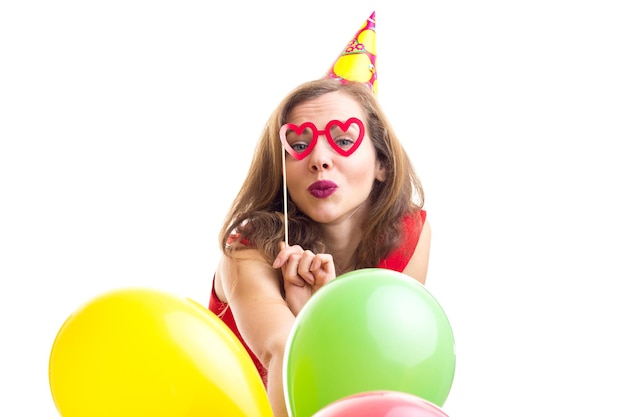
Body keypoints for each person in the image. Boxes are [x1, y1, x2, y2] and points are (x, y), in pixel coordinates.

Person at [209, 77, 431, 417]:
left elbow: (384, 375)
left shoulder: (407, 236)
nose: (319, 160)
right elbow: (284, 349)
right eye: (298, 146)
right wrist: (306, 325)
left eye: (343, 140)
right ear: (282, 170)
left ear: (382, 164)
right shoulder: (248, 250)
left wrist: (323, 317)